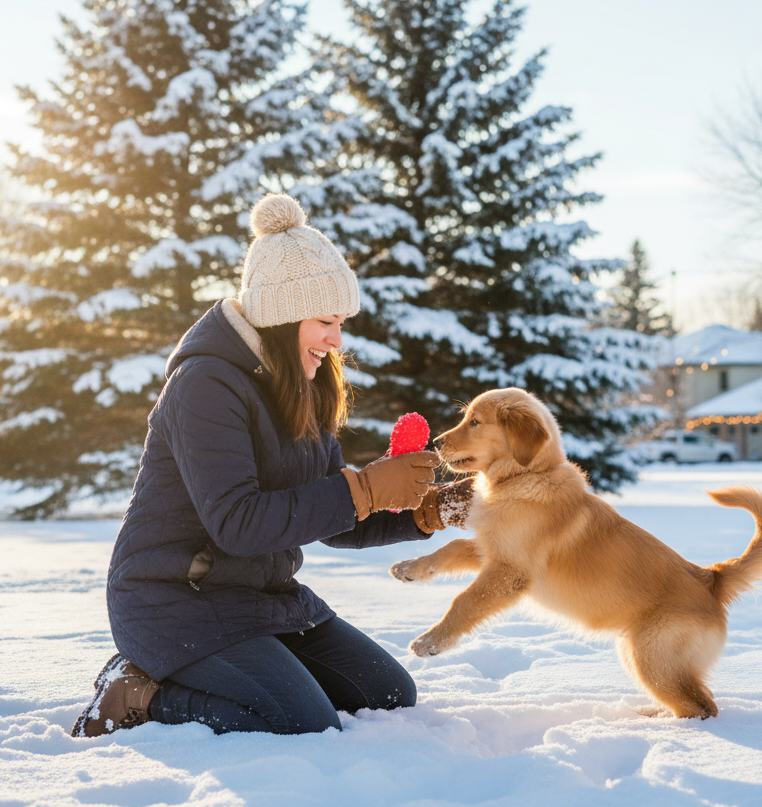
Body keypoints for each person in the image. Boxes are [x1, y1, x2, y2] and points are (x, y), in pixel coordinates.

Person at [72, 193, 473, 737]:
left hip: (261, 598)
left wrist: (426, 513)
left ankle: (239, 674)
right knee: (295, 720)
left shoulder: (303, 385)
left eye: (341, 323)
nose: (337, 339)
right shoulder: (205, 386)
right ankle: (143, 692)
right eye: (326, 321)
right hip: (173, 602)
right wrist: (363, 488)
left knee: (387, 694)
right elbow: (238, 523)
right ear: (284, 317)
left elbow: (328, 515)